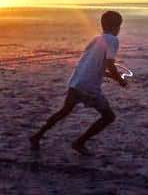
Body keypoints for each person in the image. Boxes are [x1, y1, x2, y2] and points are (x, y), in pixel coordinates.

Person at [30, 10, 127, 155]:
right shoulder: (113, 40)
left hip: (76, 81)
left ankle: (37, 135)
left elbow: (93, 65)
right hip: (89, 87)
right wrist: (120, 80)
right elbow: (110, 64)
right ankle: (79, 143)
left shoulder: (96, 39)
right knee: (108, 117)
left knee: (64, 111)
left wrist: (111, 76)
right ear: (117, 27)